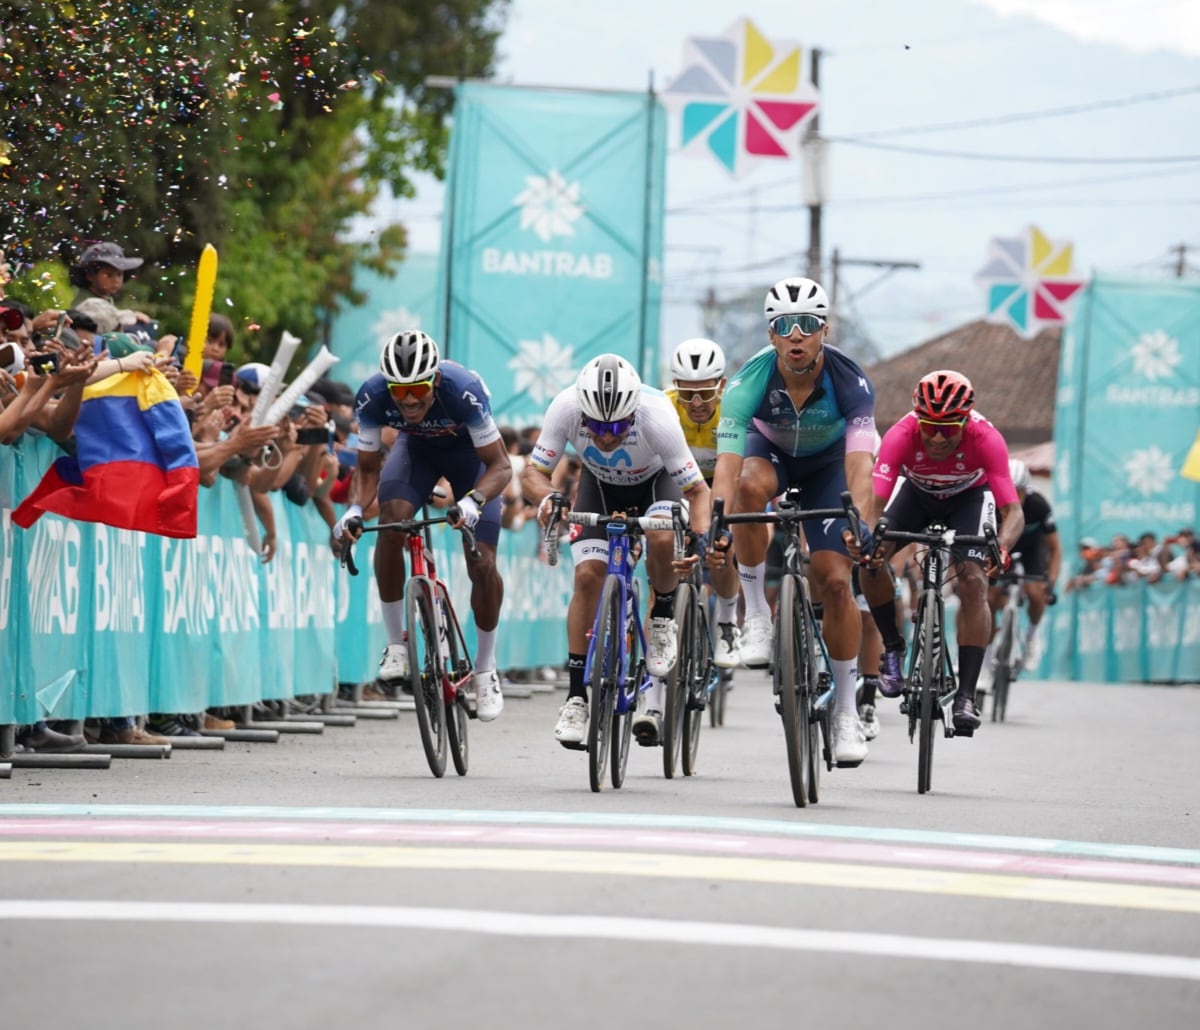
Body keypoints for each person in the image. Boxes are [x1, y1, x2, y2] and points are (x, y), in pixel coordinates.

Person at [709, 277, 877, 767]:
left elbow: (860, 468)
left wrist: (859, 524)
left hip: (828, 468)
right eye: (786, 326)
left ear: (824, 329)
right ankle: (757, 611)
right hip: (772, 457)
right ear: (772, 334)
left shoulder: (851, 382)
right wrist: (717, 524)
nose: (797, 335)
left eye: (808, 324)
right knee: (746, 490)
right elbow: (727, 465)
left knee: (835, 581)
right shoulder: (747, 383)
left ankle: (847, 710)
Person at [522, 354, 712, 750]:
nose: (606, 437)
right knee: (587, 576)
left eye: (617, 427)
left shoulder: (657, 416)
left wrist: (699, 536)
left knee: (661, 540)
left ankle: (661, 616)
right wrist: (549, 499)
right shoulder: (566, 407)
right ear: (582, 413)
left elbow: (698, 491)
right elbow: (533, 474)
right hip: (600, 486)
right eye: (596, 427)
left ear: (633, 413)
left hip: (657, 483)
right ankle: (576, 696)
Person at [333, 330, 511, 721]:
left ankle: (485, 667)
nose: (410, 400)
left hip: (472, 462)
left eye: (419, 389)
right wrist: (354, 511)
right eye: (400, 391)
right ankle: (396, 643)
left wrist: (472, 501)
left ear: (436, 381)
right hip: (416, 454)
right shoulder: (371, 395)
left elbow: (501, 466)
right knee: (394, 519)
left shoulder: (464, 391)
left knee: (481, 563)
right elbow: (365, 469)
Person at [848, 370, 1025, 733]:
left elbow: (1013, 512)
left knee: (974, 583)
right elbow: (876, 504)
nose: (939, 436)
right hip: (915, 496)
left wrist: (1002, 548)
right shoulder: (901, 435)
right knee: (871, 561)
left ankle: (965, 696)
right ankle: (894, 648)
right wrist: (866, 540)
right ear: (918, 419)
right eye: (930, 426)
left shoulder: (987, 438)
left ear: (966, 420)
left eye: (950, 427)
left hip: (969, 500)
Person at [664, 337, 743, 669]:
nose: (696, 402)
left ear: (721, 386)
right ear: (675, 386)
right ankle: (664, 627)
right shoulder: (665, 408)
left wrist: (716, 523)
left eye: (705, 393)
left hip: (724, 481)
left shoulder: (734, 410)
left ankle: (727, 620)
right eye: (687, 392)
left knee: (722, 548)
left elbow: (739, 473)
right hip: (679, 483)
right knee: (664, 552)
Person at [987, 458, 1061, 670]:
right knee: (989, 597)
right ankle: (987, 655)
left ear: (1026, 491)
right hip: (1000, 548)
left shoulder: (1038, 505)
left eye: (1018, 491)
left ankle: (1032, 636)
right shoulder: (990, 503)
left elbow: (1055, 549)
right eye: (1007, 490)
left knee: (1036, 592)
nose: (1013, 498)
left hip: (1031, 550)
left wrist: (1051, 582)